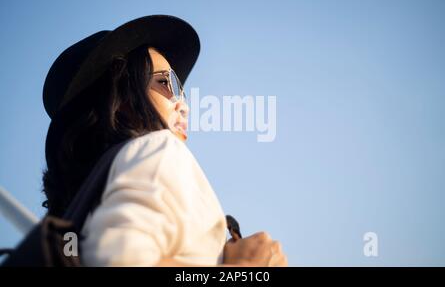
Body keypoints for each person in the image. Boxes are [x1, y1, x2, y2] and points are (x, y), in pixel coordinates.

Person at [41, 15, 288, 267]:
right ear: (120, 100)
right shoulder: (157, 147)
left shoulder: (75, 223)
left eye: (180, 88)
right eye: (164, 82)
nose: (184, 105)